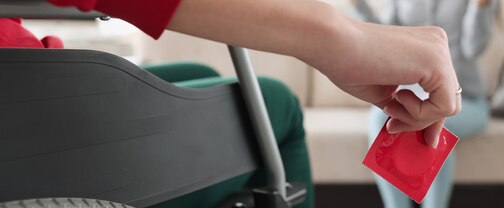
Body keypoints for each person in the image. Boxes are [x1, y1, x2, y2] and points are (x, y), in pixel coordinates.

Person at [4, 0, 463, 207]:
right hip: (27, 109)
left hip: (35, 70)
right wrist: (335, 36)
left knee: (192, 79)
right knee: (275, 104)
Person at [355, 0, 498, 207]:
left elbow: (473, 49)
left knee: (435, 122)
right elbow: (385, 40)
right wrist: (357, 4)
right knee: (379, 117)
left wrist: (480, 6)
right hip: (415, 96)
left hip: (467, 101)